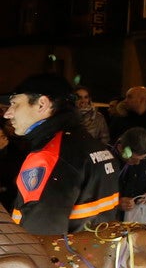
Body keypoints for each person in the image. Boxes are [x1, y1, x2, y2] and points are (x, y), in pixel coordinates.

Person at [2, 72, 119, 235]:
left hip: (59, 252)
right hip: (96, 249)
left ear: (42, 104)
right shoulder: (95, 146)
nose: (7, 113)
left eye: (14, 103)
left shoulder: (48, 156)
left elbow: (38, 237)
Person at [115, 126, 146, 223]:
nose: (137, 163)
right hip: (114, 218)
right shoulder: (109, 158)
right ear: (120, 148)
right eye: (133, 159)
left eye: (142, 159)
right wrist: (116, 203)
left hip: (138, 215)